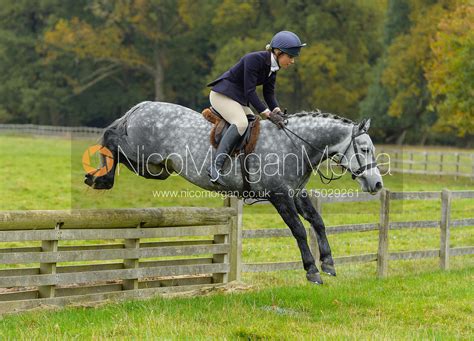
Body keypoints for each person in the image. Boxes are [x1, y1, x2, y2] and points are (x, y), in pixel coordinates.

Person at [207, 30, 306, 185]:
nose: (292, 61)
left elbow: (269, 95)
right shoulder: (254, 59)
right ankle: (215, 166)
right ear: (278, 52)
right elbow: (250, 91)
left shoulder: (273, 68)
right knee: (241, 123)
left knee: (253, 122)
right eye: (291, 57)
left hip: (237, 99)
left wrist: (278, 112)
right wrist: (267, 113)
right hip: (222, 95)